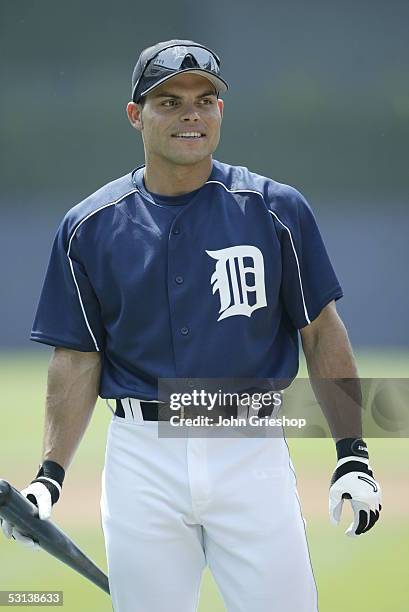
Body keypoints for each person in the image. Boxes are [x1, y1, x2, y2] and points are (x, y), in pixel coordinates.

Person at [1, 40, 382, 612]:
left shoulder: (276, 209)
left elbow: (321, 332)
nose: (191, 114)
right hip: (141, 460)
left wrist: (353, 454)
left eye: (206, 100)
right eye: (169, 101)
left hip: (250, 451)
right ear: (136, 115)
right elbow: (77, 358)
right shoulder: (88, 226)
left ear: (221, 112)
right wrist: (49, 477)